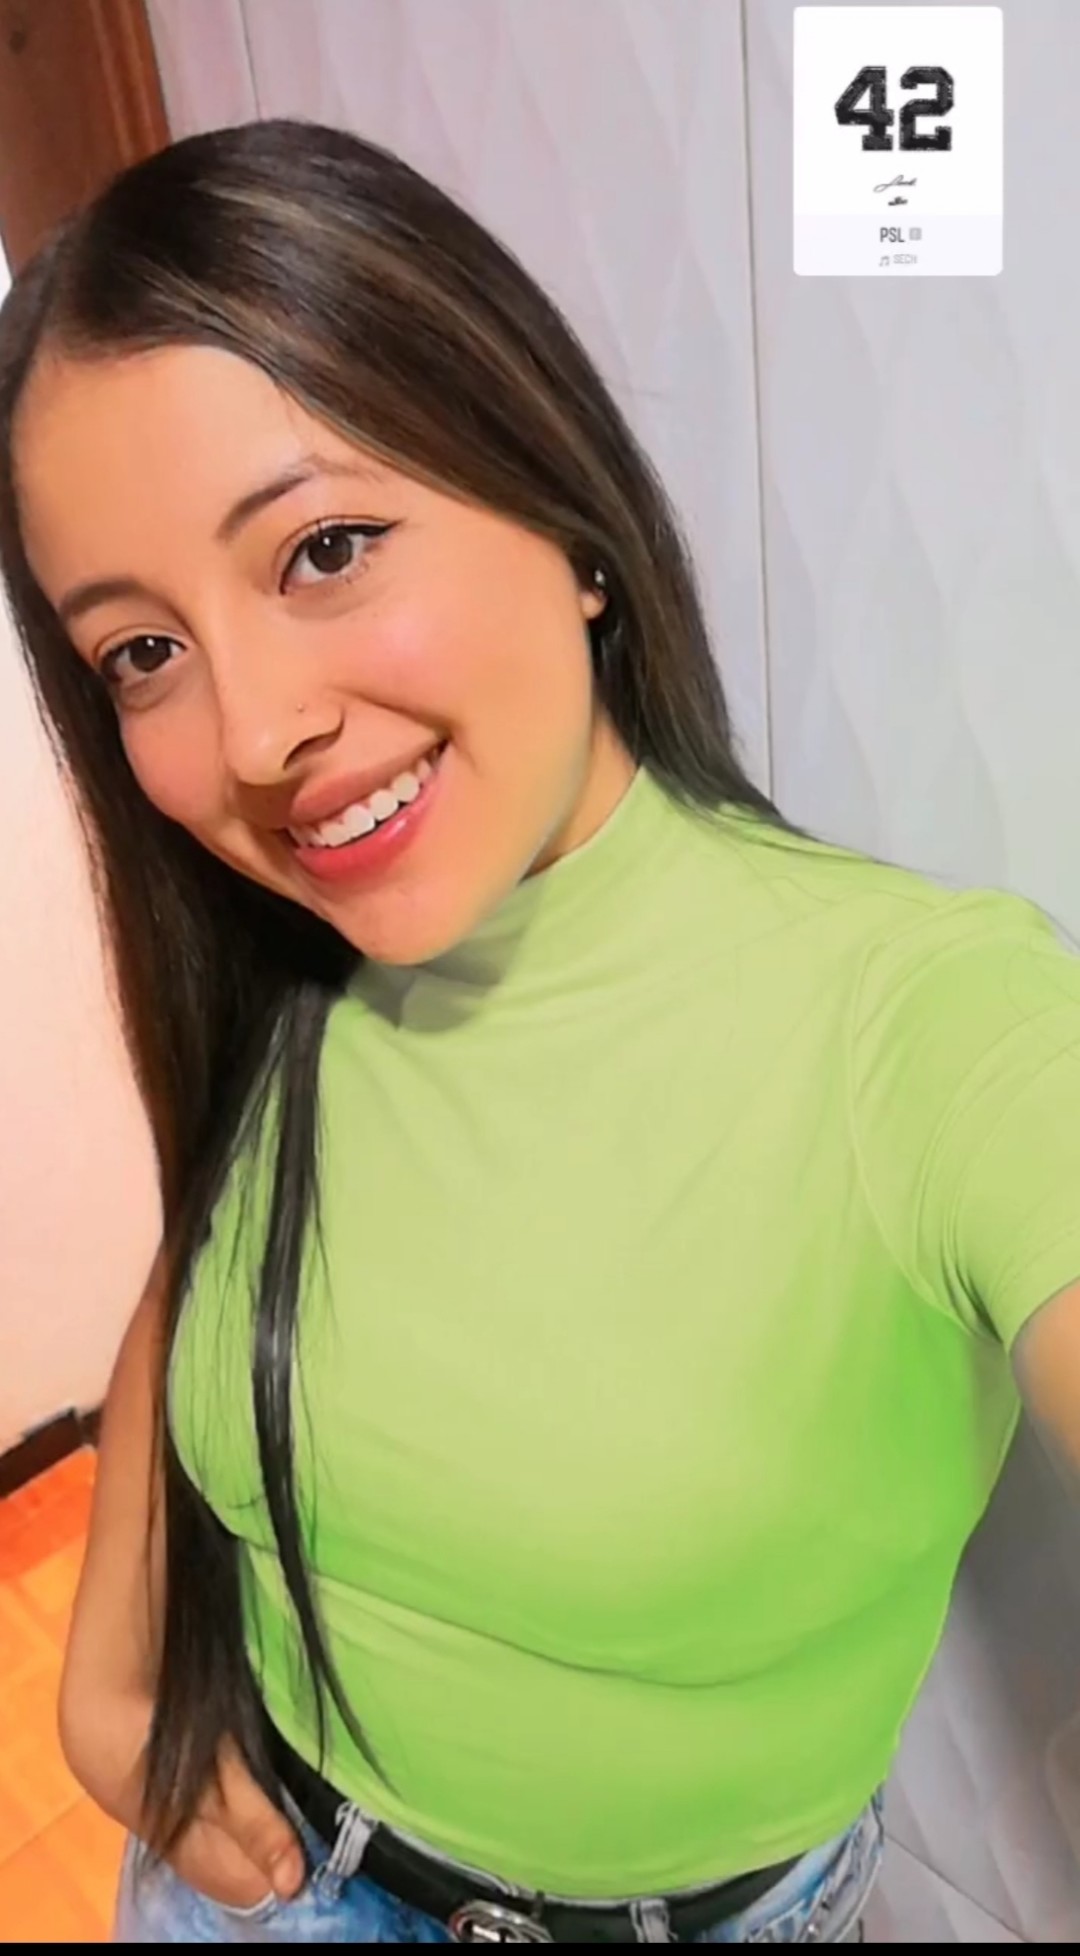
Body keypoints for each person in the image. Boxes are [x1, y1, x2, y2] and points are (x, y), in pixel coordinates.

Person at [2, 117, 1078, 1947]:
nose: (251, 735)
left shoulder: (931, 1021)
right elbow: (218, 1238)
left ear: (564, 516)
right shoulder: (287, 969)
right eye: (141, 652)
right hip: (247, 1884)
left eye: (325, 548)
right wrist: (109, 1680)